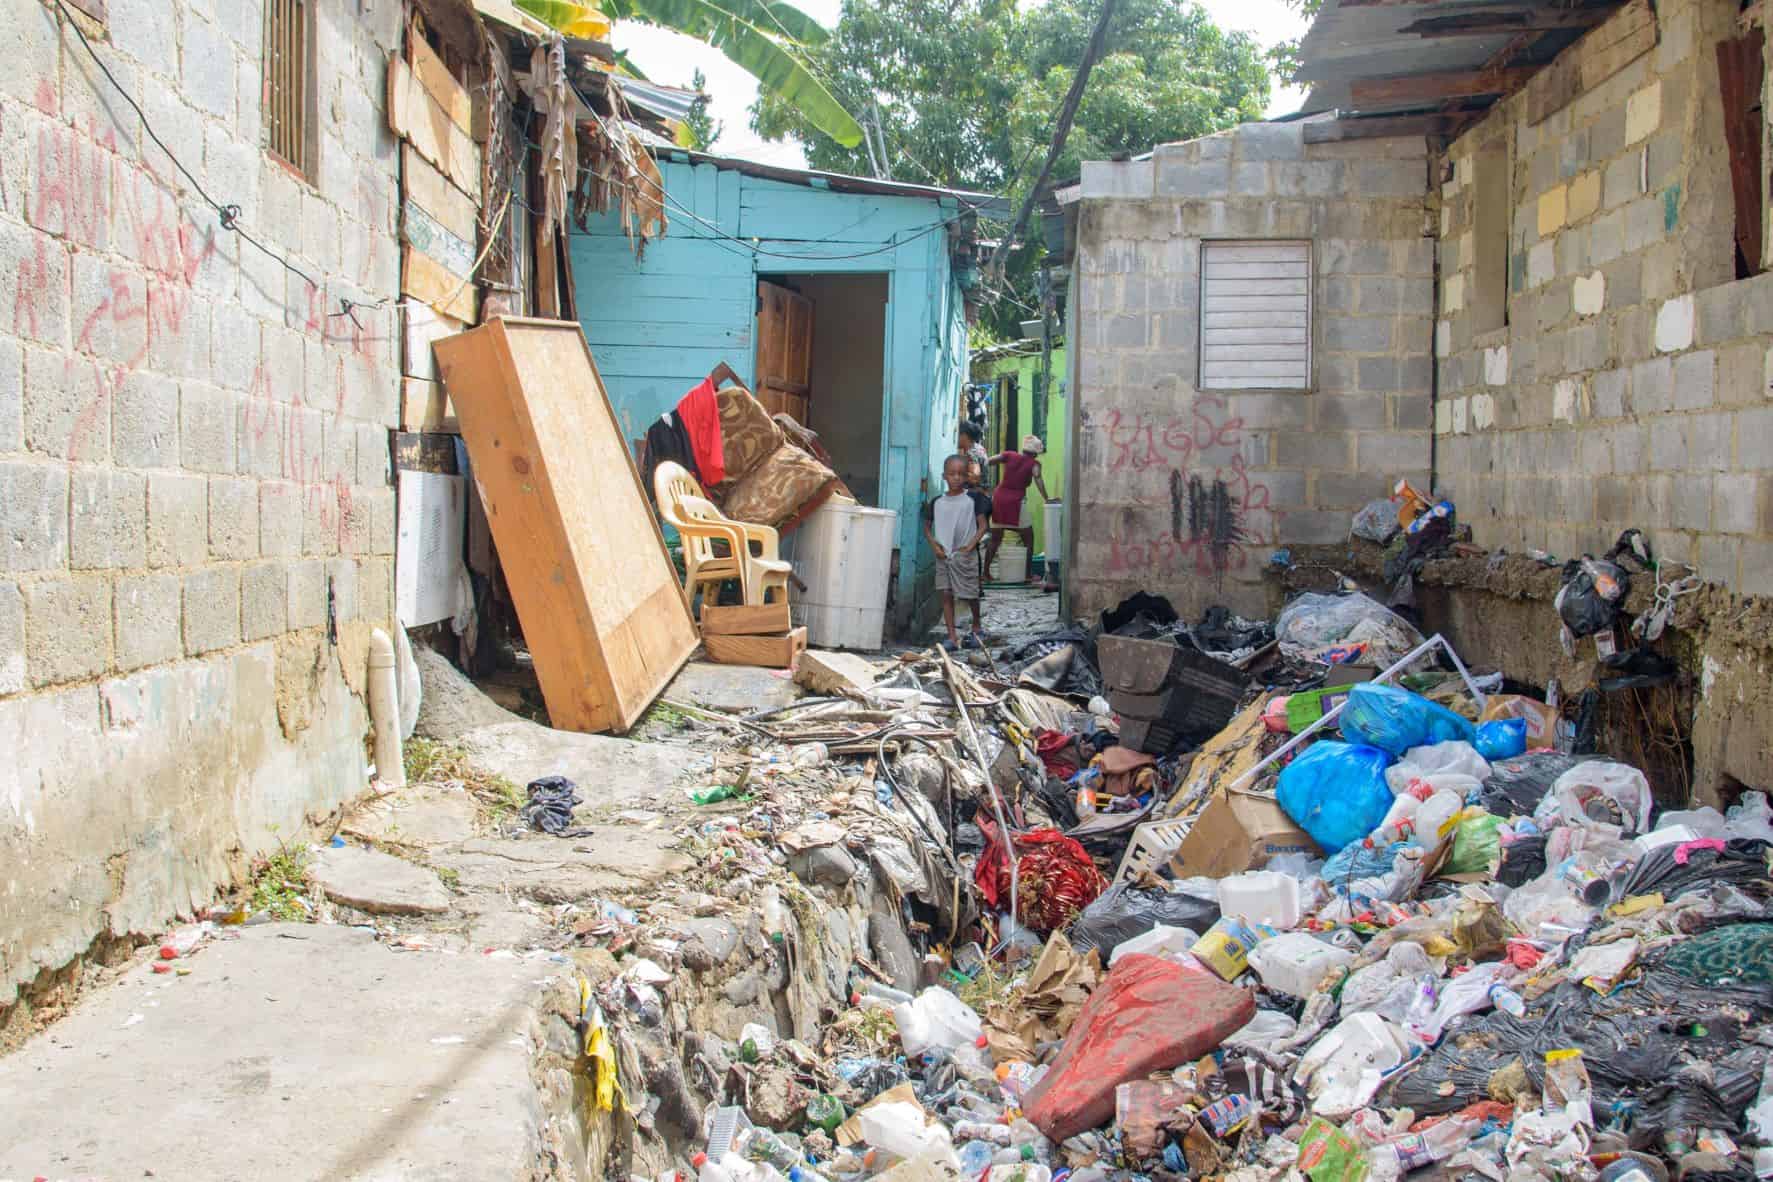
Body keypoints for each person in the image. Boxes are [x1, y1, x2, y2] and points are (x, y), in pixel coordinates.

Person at [922, 454, 990, 651]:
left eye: (961, 474)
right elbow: (927, 527)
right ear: (944, 476)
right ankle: (952, 636)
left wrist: (970, 546)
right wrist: (934, 546)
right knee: (946, 593)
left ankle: (977, 626)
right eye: (952, 474)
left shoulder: (972, 499)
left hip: (965, 556)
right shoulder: (937, 502)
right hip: (943, 556)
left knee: (970, 594)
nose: (956, 478)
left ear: (967, 477)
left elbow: (983, 526)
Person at [985, 434, 1051, 582]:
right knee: (1028, 538)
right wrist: (1046, 498)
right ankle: (1027, 574)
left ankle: (985, 573)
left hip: (999, 498)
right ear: (1036, 453)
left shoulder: (1009, 455)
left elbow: (988, 461)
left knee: (995, 539)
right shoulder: (1034, 464)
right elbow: (1038, 479)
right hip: (1016, 501)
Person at [958, 421, 989, 485]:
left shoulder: (971, 453)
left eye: (957, 434)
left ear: (964, 436)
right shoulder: (979, 448)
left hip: (972, 493)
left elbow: (975, 476)